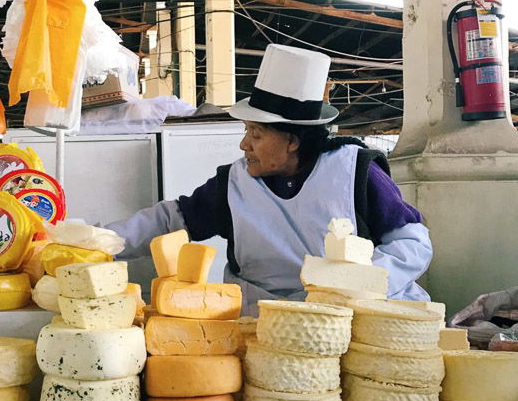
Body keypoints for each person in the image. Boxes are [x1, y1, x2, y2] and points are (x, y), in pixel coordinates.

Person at [106, 44, 432, 315]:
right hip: (269, 327)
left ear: (292, 140)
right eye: (246, 130)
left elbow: (412, 244)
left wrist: (359, 283)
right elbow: (170, 221)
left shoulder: (355, 173)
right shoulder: (235, 184)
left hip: (353, 323)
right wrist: (97, 243)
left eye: (256, 133)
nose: (244, 144)